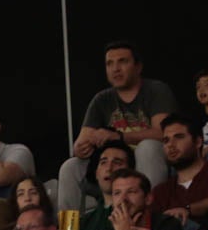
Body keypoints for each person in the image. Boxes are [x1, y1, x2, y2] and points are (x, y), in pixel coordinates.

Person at [59, 40, 175, 211]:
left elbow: (163, 134)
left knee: (148, 147)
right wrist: (82, 147)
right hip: (114, 165)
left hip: (145, 164)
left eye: (122, 61)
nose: (116, 69)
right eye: (109, 64)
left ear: (138, 67)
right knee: (71, 166)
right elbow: (80, 144)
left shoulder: (156, 90)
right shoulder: (101, 99)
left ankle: (149, 217)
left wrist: (120, 137)